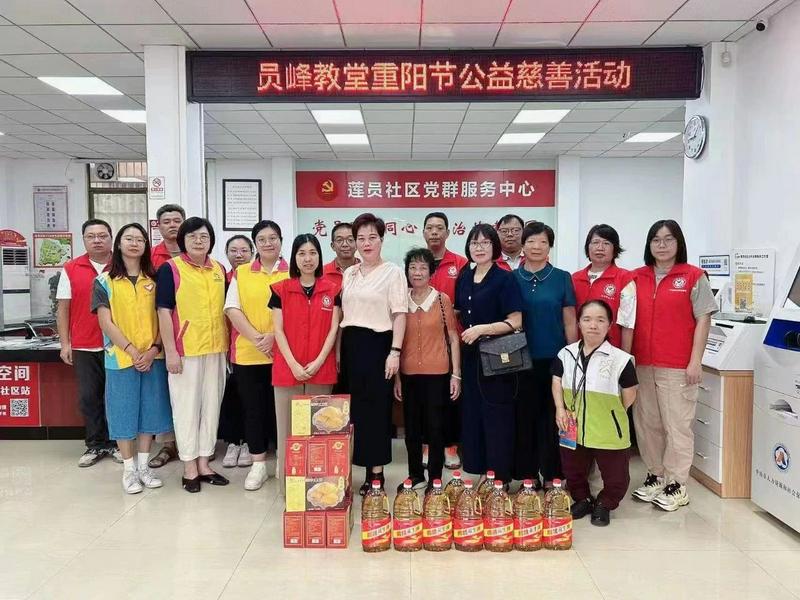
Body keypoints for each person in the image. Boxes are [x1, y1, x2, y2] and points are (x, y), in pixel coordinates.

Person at [630, 220, 716, 511]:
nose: (662, 245)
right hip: (642, 363)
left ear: (679, 243)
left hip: (678, 366)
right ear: (649, 245)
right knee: (647, 424)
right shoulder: (636, 277)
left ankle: (677, 484)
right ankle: (655, 475)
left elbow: (704, 319)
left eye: (668, 239)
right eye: (656, 240)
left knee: (677, 426)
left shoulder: (693, 276)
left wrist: (695, 361)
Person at [92, 223, 173, 494]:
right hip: (120, 359)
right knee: (123, 413)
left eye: (140, 239)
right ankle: (128, 471)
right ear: (119, 244)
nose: (135, 243)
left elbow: (164, 317)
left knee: (149, 412)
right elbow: (106, 321)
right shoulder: (104, 281)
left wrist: (152, 350)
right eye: (129, 238)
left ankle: (144, 467)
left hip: (153, 357)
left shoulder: (156, 278)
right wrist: (131, 350)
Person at [156, 217, 229, 493]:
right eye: (193, 237)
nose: (199, 241)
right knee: (186, 409)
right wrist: (171, 351)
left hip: (216, 349)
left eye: (204, 236)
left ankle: (204, 463)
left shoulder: (219, 270)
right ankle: (188, 467)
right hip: (185, 352)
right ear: (183, 240)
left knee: (211, 407)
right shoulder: (170, 269)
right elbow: (163, 311)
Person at [552, 300, 638, 526]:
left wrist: (611, 412)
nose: (593, 325)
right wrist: (560, 408)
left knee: (616, 474)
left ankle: (605, 504)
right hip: (572, 424)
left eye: (600, 320)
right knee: (573, 469)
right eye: (587, 319)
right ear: (578, 323)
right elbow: (557, 380)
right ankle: (582, 500)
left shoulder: (620, 359)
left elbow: (630, 394)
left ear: (610, 325)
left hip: (609, 426)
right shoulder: (566, 354)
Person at [339, 213, 407, 494]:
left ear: (381, 239)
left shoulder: (393, 272)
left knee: (377, 410)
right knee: (355, 411)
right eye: (360, 238)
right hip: (352, 343)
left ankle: (376, 475)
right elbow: (344, 314)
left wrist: (395, 352)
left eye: (372, 238)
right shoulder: (350, 273)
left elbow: (400, 314)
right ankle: (355, 471)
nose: (366, 243)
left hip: (380, 344)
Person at [270, 234, 341, 493]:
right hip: (287, 370)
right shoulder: (280, 289)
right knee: (288, 432)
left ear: (320, 257)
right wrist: (293, 364)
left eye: (313, 253)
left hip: (321, 370)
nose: (308, 258)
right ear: (294, 258)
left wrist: (319, 360)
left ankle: (321, 488)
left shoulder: (333, 290)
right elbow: (278, 331)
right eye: (302, 253)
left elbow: (334, 330)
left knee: (320, 430)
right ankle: (290, 490)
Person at [454, 223, 523, 487]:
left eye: (484, 243)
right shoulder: (464, 277)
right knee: (474, 415)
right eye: (474, 243)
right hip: (471, 357)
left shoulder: (505, 278)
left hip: (499, 356)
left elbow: (516, 321)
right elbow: (459, 311)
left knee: (498, 417)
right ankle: (483, 470)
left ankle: (500, 476)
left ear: (495, 247)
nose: (479, 248)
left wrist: (483, 329)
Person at [224, 220, 289, 491]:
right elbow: (232, 308)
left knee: (282, 412)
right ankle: (258, 464)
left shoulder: (292, 272)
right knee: (253, 410)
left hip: (283, 353)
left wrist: (274, 336)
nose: (268, 243)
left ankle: (283, 463)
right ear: (255, 244)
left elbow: (296, 312)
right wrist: (256, 337)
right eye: (261, 239)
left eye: (273, 238)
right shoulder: (241, 273)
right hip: (248, 354)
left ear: (281, 241)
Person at [513, 221, 578, 487]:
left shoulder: (562, 277)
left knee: (554, 418)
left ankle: (553, 474)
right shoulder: (512, 278)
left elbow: (570, 320)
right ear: (522, 245)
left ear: (550, 246)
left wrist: (573, 358)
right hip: (520, 360)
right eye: (531, 241)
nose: (536, 246)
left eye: (542, 241)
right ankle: (528, 475)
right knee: (524, 417)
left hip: (555, 359)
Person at [393, 248, 461, 491]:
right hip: (409, 374)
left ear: (432, 272)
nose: (417, 272)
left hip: (438, 374)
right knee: (411, 428)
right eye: (413, 267)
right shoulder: (401, 300)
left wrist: (456, 374)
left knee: (435, 427)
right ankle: (415, 475)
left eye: (423, 267)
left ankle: (434, 477)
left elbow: (453, 338)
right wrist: (398, 378)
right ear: (407, 271)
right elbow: (396, 341)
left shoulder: (442, 300)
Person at [56, 219, 121, 467]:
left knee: (115, 396)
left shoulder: (122, 264)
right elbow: (63, 308)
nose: (97, 240)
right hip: (84, 345)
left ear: (110, 238)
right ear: (83, 240)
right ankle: (95, 445)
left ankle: (117, 443)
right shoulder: (72, 267)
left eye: (102, 236)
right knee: (89, 396)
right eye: (91, 236)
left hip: (117, 344)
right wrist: (65, 344)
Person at [423, 211, 468, 471]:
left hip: (452, 340)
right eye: (430, 228)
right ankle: (428, 446)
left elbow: (464, 304)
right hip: (422, 342)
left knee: (451, 396)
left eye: (440, 228)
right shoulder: (417, 261)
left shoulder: (460, 264)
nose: (435, 232)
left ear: (448, 233)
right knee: (426, 397)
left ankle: (450, 447)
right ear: (423, 232)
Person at [148, 203, 184, 469]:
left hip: (192, 339)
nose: (173, 225)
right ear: (158, 226)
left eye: (177, 220)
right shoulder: (150, 258)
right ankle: (168, 444)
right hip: (159, 339)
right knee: (163, 393)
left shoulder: (196, 254)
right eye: (167, 221)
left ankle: (190, 444)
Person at [218, 234, 255, 469]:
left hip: (250, 347)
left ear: (252, 253)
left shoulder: (254, 278)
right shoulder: (220, 279)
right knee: (230, 397)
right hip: (224, 346)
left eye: (244, 250)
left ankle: (250, 443)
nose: (239, 255)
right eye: (234, 250)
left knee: (250, 399)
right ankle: (233, 442)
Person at [572, 224, 636, 352]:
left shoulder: (625, 278)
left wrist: (624, 358)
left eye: (606, 243)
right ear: (587, 247)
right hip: (579, 351)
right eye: (595, 242)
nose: (600, 248)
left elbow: (628, 323)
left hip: (611, 352)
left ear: (615, 249)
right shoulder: (574, 279)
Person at [323, 222, 359, 292]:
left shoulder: (366, 271)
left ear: (357, 244)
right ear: (332, 246)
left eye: (350, 240)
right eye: (339, 240)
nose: (345, 244)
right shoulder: (322, 273)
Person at [150, 204, 185, 270]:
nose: (172, 225)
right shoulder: (150, 255)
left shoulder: (194, 253)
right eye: (166, 222)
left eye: (177, 221)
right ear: (159, 227)